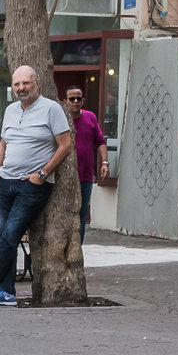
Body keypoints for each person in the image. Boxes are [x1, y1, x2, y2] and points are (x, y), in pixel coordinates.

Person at [0, 65, 71, 307]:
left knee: (10, 234)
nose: (21, 88)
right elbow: (3, 143)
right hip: (6, 184)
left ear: (37, 83)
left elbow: (65, 146)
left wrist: (43, 173)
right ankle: (6, 292)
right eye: (17, 84)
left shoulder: (52, 109)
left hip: (32, 186)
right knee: (3, 236)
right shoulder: (10, 110)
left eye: (26, 83)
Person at [64, 85, 108, 242]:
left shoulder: (90, 117)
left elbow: (101, 141)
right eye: (72, 98)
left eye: (79, 98)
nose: (75, 101)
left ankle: (77, 251)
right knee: (63, 215)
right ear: (65, 101)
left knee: (81, 216)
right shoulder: (61, 119)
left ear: (83, 100)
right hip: (64, 177)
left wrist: (104, 162)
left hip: (85, 177)